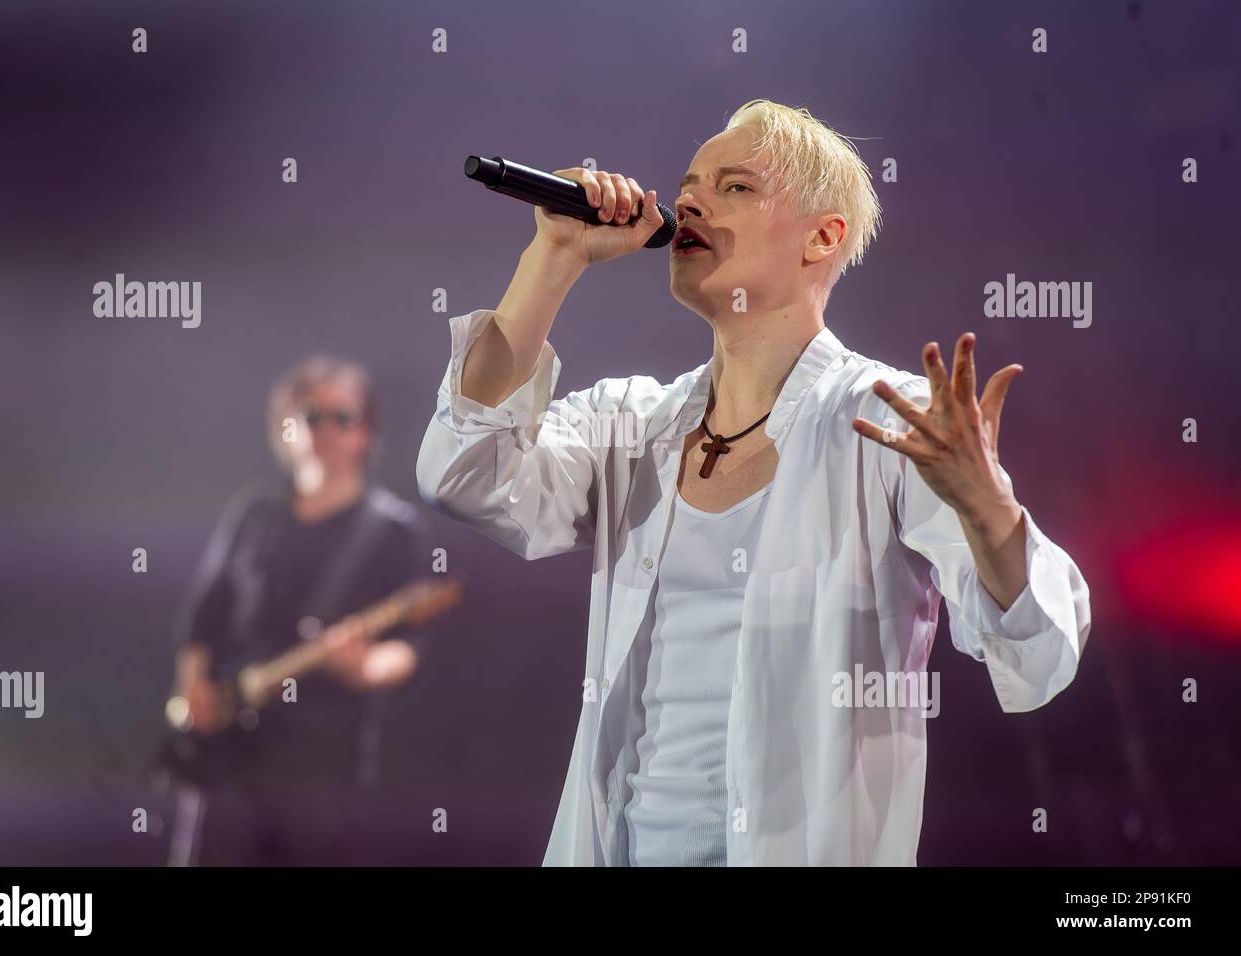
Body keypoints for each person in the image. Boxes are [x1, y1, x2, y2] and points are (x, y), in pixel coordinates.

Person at [416, 98, 1092, 866]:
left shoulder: (888, 420)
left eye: (734, 186)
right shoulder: (633, 424)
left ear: (823, 235)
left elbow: (1038, 650)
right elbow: (464, 474)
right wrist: (556, 255)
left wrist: (988, 508)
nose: (691, 200)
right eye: (689, 183)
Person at [166, 355, 432, 865]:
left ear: (366, 432)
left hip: (321, 765)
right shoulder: (255, 516)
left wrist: (365, 666)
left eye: (344, 416)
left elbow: (411, 647)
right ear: (285, 429)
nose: (326, 429)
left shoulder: (394, 532)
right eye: (310, 415)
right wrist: (195, 688)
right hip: (229, 754)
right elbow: (205, 615)